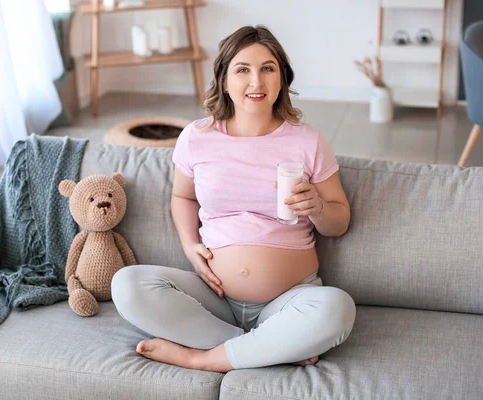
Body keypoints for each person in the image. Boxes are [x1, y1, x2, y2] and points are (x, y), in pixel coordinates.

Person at [111, 25, 356, 373]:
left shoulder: (308, 141)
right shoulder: (197, 137)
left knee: (338, 308)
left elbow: (340, 220)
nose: (256, 81)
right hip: (214, 300)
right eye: (242, 69)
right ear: (224, 79)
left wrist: (317, 206)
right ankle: (270, 345)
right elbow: (182, 196)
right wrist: (189, 245)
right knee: (128, 284)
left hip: (289, 300)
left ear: (282, 78)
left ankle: (202, 357)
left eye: (267, 68)